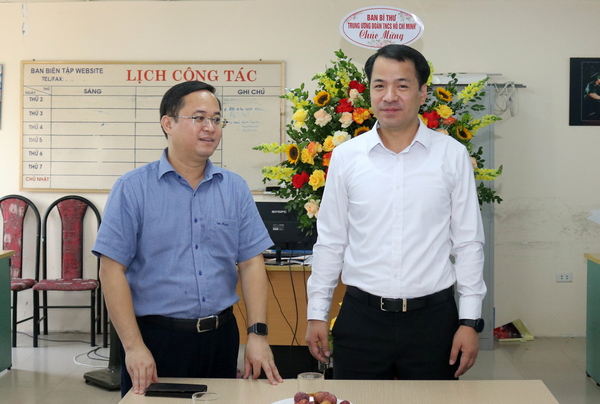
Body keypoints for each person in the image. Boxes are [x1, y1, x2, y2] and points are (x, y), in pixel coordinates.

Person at [305, 44, 486, 380]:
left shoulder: (452, 155)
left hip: (433, 321)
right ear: (369, 92)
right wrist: (317, 312)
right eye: (379, 85)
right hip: (361, 319)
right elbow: (330, 241)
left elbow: (468, 243)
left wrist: (470, 320)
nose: (389, 96)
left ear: (422, 93)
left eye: (402, 85)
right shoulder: (346, 157)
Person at [93, 81, 282, 397]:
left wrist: (258, 335)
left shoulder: (234, 188)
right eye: (199, 118)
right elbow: (111, 270)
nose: (210, 127)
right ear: (168, 123)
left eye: (216, 119)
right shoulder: (132, 188)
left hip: (221, 338)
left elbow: (251, 263)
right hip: (156, 340)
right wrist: (134, 346)